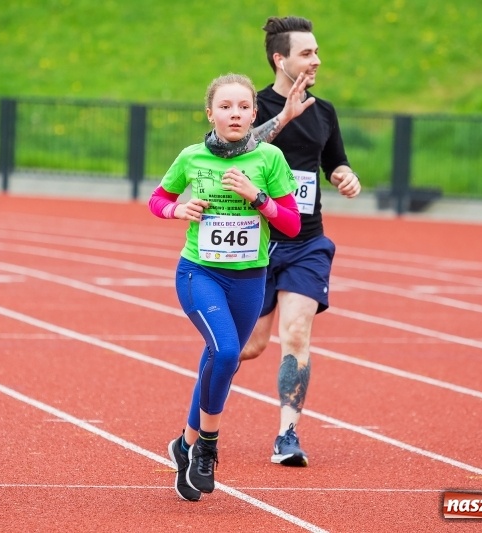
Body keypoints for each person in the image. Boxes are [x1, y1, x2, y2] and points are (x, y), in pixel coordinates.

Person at [148, 73, 302, 501]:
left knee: (220, 360)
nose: (235, 114)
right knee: (229, 351)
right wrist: (178, 210)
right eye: (226, 106)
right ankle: (207, 450)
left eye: (244, 107)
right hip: (200, 273)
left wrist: (257, 197)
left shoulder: (269, 159)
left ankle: (184, 444)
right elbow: (157, 199)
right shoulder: (192, 157)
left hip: (250, 278)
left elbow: (290, 224)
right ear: (210, 112)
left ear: (255, 113)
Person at [239, 16, 362, 468]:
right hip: (253, 243)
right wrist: (284, 116)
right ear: (280, 59)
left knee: (295, 333)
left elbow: (335, 164)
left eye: (316, 52)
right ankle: (203, 407)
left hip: (306, 241)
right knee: (248, 346)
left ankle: (287, 435)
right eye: (307, 53)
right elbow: (235, 148)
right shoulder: (249, 106)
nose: (317, 60)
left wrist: (346, 177)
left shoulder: (325, 112)